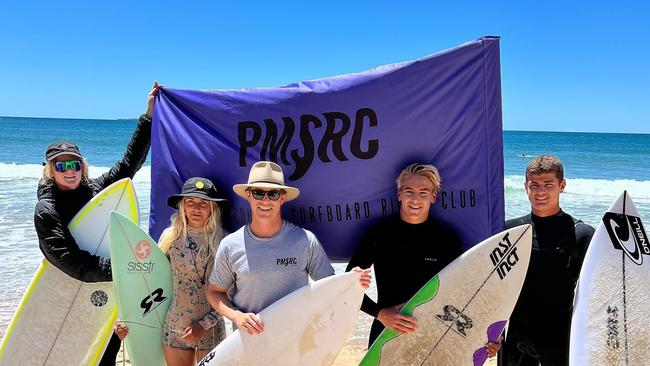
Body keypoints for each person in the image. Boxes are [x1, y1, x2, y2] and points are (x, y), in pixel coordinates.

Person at [34, 82, 159, 365]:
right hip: (71, 292)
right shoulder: (46, 209)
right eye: (62, 166)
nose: (70, 171)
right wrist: (124, 269)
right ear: (50, 171)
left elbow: (128, 167)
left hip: (105, 289)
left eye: (75, 164)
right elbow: (71, 262)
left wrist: (148, 117)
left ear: (83, 167)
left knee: (109, 352)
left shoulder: (94, 193)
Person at [346, 163, 501, 357]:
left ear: (433, 196)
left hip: (434, 336)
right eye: (409, 191)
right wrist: (381, 314)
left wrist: (484, 336)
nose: (415, 199)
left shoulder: (447, 239)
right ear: (399, 194)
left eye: (423, 192)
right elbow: (347, 286)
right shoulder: (379, 234)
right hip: (386, 332)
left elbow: (463, 293)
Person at [206, 161, 371, 335]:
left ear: (282, 198)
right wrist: (237, 316)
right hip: (249, 344)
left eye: (273, 194)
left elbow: (330, 287)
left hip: (296, 341)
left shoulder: (305, 240)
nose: (265, 200)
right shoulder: (230, 244)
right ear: (249, 195)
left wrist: (352, 281)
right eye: (258, 193)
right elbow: (215, 292)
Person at [117, 177, 228, 365]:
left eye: (203, 203)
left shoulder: (224, 242)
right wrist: (126, 318)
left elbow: (231, 293)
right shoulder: (170, 238)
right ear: (182, 206)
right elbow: (150, 282)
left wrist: (204, 324)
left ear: (213, 208)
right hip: (174, 328)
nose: (196, 208)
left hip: (211, 329)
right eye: (190, 202)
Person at [499, 155, 595, 365]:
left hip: (561, 339)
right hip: (516, 336)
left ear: (562, 185)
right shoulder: (510, 231)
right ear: (525, 187)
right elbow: (495, 287)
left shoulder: (582, 234)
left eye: (548, 184)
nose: (540, 191)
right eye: (534, 185)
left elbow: (595, 293)